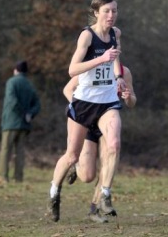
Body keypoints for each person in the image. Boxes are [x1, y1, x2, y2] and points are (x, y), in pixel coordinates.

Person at [49, 0, 126, 222]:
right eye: (106, 11)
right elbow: (72, 69)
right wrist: (100, 59)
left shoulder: (116, 33)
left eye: (114, 11)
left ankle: (105, 195)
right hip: (84, 103)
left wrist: (119, 76)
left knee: (113, 143)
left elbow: (116, 60)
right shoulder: (87, 36)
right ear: (96, 12)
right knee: (71, 156)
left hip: (107, 102)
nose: (111, 15)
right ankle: (54, 192)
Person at [64, 64, 136, 223]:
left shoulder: (125, 72)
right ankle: (75, 165)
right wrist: (80, 109)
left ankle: (94, 208)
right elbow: (68, 89)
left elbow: (132, 102)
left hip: (108, 123)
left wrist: (128, 97)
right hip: (87, 122)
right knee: (87, 176)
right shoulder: (93, 66)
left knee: (109, 158)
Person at [0, 60, 40, 183]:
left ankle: (2, 177)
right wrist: (29, 114)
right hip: (24, 124)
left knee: (5, 150)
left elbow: (12, 101)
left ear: (16, 70)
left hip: (11, 122)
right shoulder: (29, 85)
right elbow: (37, 104)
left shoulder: (11, 82)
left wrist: (22, 113)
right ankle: (18, 178)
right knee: (20, 152)